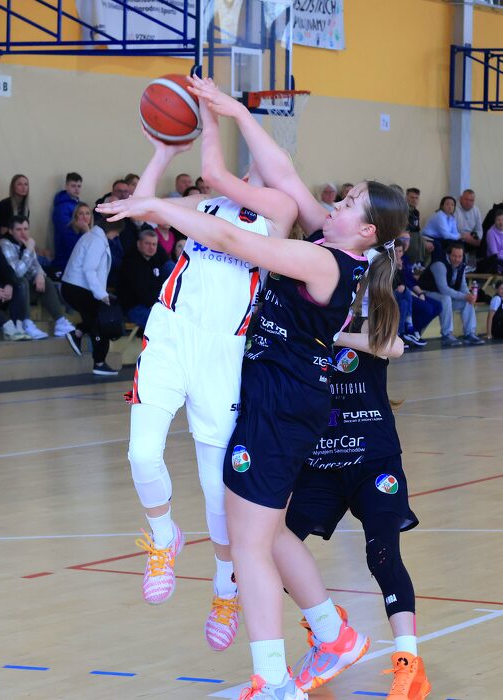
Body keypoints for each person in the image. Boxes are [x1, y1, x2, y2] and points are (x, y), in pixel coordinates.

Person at [98, 75, 408, 700]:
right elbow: (282, 171)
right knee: (270, 537)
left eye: (349, 202)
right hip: (280, 397)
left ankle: (273, 679)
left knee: (249, 547)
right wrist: (231, 111)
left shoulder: (325, 259)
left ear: (367, 231)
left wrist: (154, 207)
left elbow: (231, 239)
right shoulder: (332, 240)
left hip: (279, 403)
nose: (334, 202)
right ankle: (333, 636)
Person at [98, 97, 296, 657]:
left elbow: (232, 194)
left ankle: (225, 586)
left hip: (224, 354)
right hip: (170, 334)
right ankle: (164, 538)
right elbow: (141, 208)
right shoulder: (208, 204)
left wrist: (218, 118)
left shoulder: (279, 215)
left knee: (216, 488)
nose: (256, 165)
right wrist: (162, 152)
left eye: (267, 160)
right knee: (141, 454)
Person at [285, 311, 431, 700]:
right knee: (271, 551)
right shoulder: (294, 315)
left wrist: (331, 333)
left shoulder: (367, 317)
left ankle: (409, 666)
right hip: (320, 465)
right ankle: (330, 627)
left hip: (374, 462)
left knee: (382, 554)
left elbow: (394, 346)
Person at [61, 218, 123, 375]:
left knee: (95, 320)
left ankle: (78, 333)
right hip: (78, 288)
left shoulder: (93, 237)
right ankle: (99, 363)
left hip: (76, 287)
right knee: (102, 322)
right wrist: (102, 295)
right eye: (117, 232)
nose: (117, 235)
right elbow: (89, 270)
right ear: (112, 228)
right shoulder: (97, 241)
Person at [0, 216, 75, 340]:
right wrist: (29, 250)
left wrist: (39, 274)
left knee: (46, 281)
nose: (23, 233)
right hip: (8, 293)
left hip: (25, 291)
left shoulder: (26, 243)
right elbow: (16, 273)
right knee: (22, 281)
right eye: (18, 229)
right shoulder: (5, 244)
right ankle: (26, 323)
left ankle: (60, 323)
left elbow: (36, 266)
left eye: (25, 229)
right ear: (11, 231)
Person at [418, 241, 484, 346]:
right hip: (426, 293)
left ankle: (470, 333)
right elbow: (443, 289)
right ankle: (446, 335)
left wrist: (469, 296)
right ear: (448, 254)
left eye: (460, 256)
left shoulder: (461, 265)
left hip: (444, 296)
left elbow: (463, 286)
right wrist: (465, 296)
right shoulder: (439, 264)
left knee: (467, 301)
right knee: (446, 298)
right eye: (454, 256)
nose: (457, 259)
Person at [117, 227, 171, 330]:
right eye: (147, 243)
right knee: (162, 324)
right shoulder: (130, 263)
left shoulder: (155, 260)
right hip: (135, 307)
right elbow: (142, 292)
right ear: (138, 244)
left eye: (154, 244)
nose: (151, 247)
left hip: (153, 305)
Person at [397, 232, 442, 344]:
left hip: (410, 291)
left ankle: (416, 330)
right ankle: (410, 332)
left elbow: (411, 280)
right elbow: (403, 282)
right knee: (427, 308)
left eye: (408, 239)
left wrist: (420, 293)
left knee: (438, 306)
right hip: (402, 292)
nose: (406, 242)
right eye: (403, 239)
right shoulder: (394, 258)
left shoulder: (405, 258)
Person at [0, 219, 30, 341]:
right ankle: (7, 327)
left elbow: (8, 270)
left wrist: (9, 285)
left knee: (18, 285)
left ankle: (18, 325)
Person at [51, 201, 92, 276]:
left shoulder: (92, 232)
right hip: (63, 270)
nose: (85, 217)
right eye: (81, 214)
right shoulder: (68, 232)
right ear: (75, 217)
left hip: (78, 271)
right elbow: (79, 255)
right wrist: (87, 233)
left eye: (87, 213)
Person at [52, 172, 83, 268]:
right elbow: (65, 231)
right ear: (66, 186)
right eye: (73, 186)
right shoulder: (62, 207)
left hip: (78, 250)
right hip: (66, 254)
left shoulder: (79, 205)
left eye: (79, 186)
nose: (76, 189)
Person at [453, 189, 483, 271]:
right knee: (459, 244)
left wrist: (476, 238)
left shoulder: (476, 210)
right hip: (458, 238)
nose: (468, 202)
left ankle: (479, 270)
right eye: (466, 199)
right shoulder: (454, 209)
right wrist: (464, 237)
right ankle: (461, 269)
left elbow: (479, 230)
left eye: (471, 200)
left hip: (471, 237)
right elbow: (453, 230)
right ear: (461, 198)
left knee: (484, 244)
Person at [405, 187, 433, 266]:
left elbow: (417, 229)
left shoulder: (416, 212)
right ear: (406, 198)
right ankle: (415, 265)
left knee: (434, 246)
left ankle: (420, 266)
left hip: (415, 237)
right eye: (412, 197)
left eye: (416, 198)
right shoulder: (403, 210)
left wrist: (424, 242)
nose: (414, 200)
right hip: (406, 237)